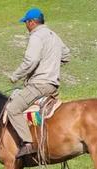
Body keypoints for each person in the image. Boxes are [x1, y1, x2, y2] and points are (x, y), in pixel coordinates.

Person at [8, 7, 71, 159]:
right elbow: (66, 55)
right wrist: (51, 64)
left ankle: (28, 143)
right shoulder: (53, 35)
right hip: (53, 86)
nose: (25, 26)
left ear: (31, 22)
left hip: (39, 85)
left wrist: (15, 76)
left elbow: (31, 60)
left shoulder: (36, 36)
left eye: (26, 22)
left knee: (12, 108)